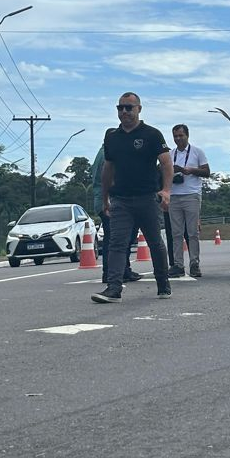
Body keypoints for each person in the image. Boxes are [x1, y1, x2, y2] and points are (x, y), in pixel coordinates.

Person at [93, 92, 173, 303]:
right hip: (121, 200)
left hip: (147, 197)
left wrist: (166, 190)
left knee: (155, 243)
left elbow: (166, 163)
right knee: (117, 244)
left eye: (129, 107)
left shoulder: (152, 134)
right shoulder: (112, 138)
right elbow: (107, 169)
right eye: (120, 108)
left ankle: (163, 283)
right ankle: (113, 288)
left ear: (139, 109)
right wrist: (105, 198)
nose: (125, 112)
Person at [90, 143, 141, 283]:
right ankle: (110, 272)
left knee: (117, 238)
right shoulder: (107, 156)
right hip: (109, 201)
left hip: (103, 200)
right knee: (114, 239)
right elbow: (110, 179)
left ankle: (123, 270)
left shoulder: (101, 154)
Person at [167, 123, 210, 278]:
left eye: (181, 135)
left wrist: (189, 170)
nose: (178, 139)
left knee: (192, 233)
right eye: (175, 136)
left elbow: (207, 171)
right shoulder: (170, 154)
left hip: (191, 194)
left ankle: (194, 263)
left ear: (187, 135)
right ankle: (177, 264)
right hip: (174, 195)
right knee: (176, 233)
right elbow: (162, 171)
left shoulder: (197, 152)